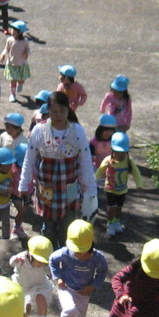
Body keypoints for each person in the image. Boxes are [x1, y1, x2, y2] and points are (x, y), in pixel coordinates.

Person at [18, 90, 98, 248]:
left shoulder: (77, 131)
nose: (58, 115)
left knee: (68, 228)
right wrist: (23, 184)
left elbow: (86, 161)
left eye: (62, 111)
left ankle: (65, 255)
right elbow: (29, 159)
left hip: (70, 190)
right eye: (54, 111)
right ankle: (48, 254)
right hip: (47, 190)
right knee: (48, 228)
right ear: (48, 110)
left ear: (68, 110)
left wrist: (91, 190)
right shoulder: (39, 131)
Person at [49, 219, 109, 317]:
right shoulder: (65, 253)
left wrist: (93, 286)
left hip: (83, 293)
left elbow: (102, 271)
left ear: (91, 243)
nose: (79, 254)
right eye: (75, 250)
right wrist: (58, 278)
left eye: (82, 250)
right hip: (66, 288)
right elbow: (52, 260)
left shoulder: (97, 257)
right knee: (69, 309)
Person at [95, 131, 142, 237]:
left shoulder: (128, 161)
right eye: (118, 152)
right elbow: (99, 171)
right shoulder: (108, 160)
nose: (120, 155)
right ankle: (110, 224)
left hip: (122, 190)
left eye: (123, 152)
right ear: (112, 149)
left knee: (119, 208)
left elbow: (136, 173)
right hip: (110, 189)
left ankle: (117, 222)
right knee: (111, 208)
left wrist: (139, 184)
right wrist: (93, 181)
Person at [10, 235, 54, 317]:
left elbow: (48, 270)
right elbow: (12, 263)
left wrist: (51, 274)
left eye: (44, 262)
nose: (41, 264)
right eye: (39, 262)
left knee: (41, 297)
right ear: (30, 255)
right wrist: (16, 260)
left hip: (38, 284)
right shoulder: (22, 258)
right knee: (24, 305)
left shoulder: (43, 264)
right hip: (22, 285)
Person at [0, 20, 30, 102]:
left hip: (22, 64)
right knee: (13, 80)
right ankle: (12, 94)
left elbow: (28, 49)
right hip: (12, 64)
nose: (12, 31)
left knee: (21, 79)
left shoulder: (25, 41)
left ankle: (20, 83)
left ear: (20, 32)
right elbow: (6, 49)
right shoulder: (9, 40)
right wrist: (3, 55)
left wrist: (26, 52)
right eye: (12, 29)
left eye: (14, 30)